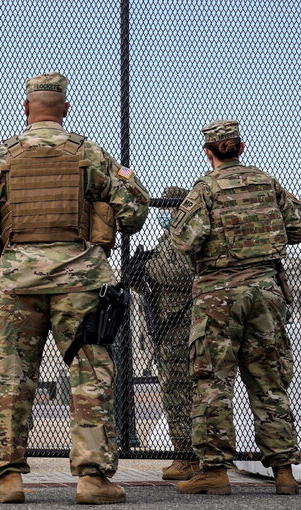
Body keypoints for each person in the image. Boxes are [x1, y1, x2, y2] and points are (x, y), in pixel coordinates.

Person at [0, 73, 150, 504]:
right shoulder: (90, 154)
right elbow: (132, 215)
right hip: (80, 277)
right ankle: (92, 478)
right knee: (89, 374)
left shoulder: (1, 156)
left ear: (26, 109)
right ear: (66, 110)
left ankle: (6, 477)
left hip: (17, 279)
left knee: (10, 378)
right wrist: (128, 180)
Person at [168, 120, 301, 496]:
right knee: (269, 381)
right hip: (266, 289)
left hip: (219, 293)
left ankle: (214, 471)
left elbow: (185, 238)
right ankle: (284, 472)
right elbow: (298, 227)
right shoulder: (268, 182)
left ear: (209, 151)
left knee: (212, 381)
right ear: (241, 147)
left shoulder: (205, 188)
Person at [126, 186, 198, 480]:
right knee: (173, 391)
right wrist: (139, 273)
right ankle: (183, 454)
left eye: (167, 210)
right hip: (167, 323)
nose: (163, 216)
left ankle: (188, 457)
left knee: (180, 392)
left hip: (182, 323)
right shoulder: (169, 237)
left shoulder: (185, 235)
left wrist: (148, 268)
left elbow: (181, 273)